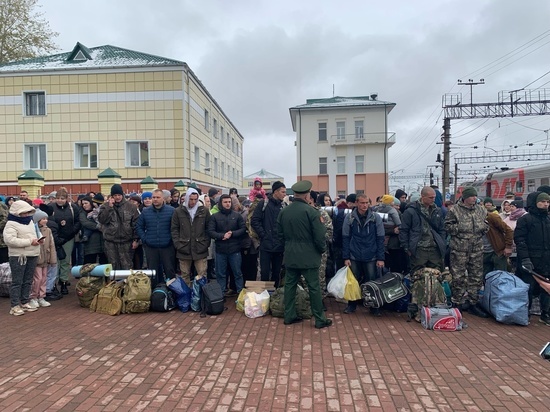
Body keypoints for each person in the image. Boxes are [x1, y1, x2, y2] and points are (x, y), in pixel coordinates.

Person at [277, 181, 332, 329]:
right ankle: (319, 319)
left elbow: (279, 234)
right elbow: (320, 236)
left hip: (290, 254)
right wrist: (321, 250)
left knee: (290, 286)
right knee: (314, 287)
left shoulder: (284, 211)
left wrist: (288, 247)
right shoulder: (312, 212)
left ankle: (289, 315)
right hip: (309, 256)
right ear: (307, 195)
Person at [444, 186, 489, 317]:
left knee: (476, 276)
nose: (474, 198)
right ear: (465, 197)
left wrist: (484, 228)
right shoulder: (455, 210)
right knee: (458, 276)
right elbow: (447, 226)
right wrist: (460, 229)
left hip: (477, 247)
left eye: (475, 196)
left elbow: (486, 224)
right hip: (460, 248)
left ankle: (472, 302)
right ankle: (456, 302)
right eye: (472, 196)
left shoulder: (481, 210)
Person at [342, 193, 385, 316]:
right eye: (362, 203)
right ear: (356, 203)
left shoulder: (375, 218)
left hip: (371, 255)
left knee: (372, 281)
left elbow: (380, 238)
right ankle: (352, 305)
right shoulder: (349, 218)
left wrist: (380, 258)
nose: (365, 205)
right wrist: (346, 257)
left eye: (367, 203)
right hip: (354, 254)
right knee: (353, 281)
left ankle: (374, 306)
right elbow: (345, 237)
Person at [514, 191, 550, 326]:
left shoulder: (548, 219)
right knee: (528, 288)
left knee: (546, 289)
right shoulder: (525, 219)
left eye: (548, 202)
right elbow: (520, 240)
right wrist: (525, 259)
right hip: (530, 260)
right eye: (543, 201)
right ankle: (526, 313)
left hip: (546, 260)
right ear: (535, 202)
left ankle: (545, 314)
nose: (546, 204)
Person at [4, 200, 43, 315]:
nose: (26, 214)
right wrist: (30, 241)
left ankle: (25, 301)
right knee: (17, 281)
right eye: (23, 212)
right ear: (17, 212)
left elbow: (36, 233)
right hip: (18, 256)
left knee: (28, 280)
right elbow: (10, 240)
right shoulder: (10, 224)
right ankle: (15, 305)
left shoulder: (30, 221)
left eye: (27, 212)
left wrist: (40, 239)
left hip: (32, 254)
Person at [399, 186, 446, 273]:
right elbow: (404, 230)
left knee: (437, 275)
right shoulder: (411, 211)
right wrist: (407, 248)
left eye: (434, 197)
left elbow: (442, 229)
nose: (433, 200)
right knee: (418, 276)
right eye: (431, 197)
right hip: (418, 250)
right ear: (423, 196)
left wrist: (442, 242)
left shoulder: (437, 211)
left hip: (435, 249)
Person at [171, 188, 211, 286]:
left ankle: (201, 297)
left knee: (202, 274)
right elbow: (174, 229)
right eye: (191, 199)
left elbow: (208, 228)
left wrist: (205, 243)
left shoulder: (204, 210)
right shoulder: (178, 211)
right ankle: (186, 298)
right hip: (183, 247)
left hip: (200, 247)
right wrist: (178, 244)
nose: (193, 202)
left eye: (195, 199)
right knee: (185, 275)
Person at [137, 189, 176, 286]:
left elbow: (176, 227)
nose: (155, 199)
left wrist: (171, 239)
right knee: (152, 272)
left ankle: (172, 293)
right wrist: (144, 238)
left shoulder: (171, 211)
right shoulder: (146, 212)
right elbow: (139, 226)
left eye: (157, 197)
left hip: (167, 246)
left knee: (169, 270)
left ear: (163, 198)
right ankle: (155, 293)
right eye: (153, 197)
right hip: (151, 247)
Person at [208, 194, 246, 294]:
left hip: (235, 249)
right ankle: (221, 293)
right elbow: (211, 231)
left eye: (229, 202)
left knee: (237, 273)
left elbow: (243, 229)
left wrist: (232, 233)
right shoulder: (215, 217)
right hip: (220, 249)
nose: (228, 204)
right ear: (221, 203)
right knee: (221, 274)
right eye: (225, 202)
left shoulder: (237, 215)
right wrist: (222, 236)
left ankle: (240, 293)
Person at [251, 181, 286, 287]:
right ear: (275, 192)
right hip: (266, 245)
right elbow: (254, 221)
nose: (285, 194)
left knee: (276, 273)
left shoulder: (284, 206)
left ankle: (275, 297)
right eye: (283, 192)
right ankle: (265, 296)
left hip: (279, 246)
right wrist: (263, 234)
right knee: (265, 273)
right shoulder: (263, 204)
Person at [97, 184, 140, 270]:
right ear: (112, 196)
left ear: (122, 195)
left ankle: (126, 283)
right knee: (113, 266)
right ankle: (114, 283)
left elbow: (136, 224)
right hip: (111, 242)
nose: (117, 197)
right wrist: (109, 208)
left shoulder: (131, 207)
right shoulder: (105, 206)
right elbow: (102, 220)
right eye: (115, 195)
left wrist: (136, 240)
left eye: (119, 195)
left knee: (127, 265)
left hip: (126, 241)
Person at [50, 187, 81, 294]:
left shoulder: (73, 208)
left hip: (68, 238)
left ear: (66, 199)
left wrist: (71, 232)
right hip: (54, 238)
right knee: (55, 261)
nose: (60, 200)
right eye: (58, 198)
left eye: (62, 198)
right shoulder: (51, 207)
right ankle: (54, 282)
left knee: (65, 261)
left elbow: (77, 222)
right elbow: (48, 222)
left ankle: (63, 281)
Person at [29, 209, 56, 308]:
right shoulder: (33, 231)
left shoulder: (48, 230)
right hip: (37, 259)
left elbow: (51, 245)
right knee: (37, 278)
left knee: (44, 278)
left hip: (46, 258)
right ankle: (34, 296)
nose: (45, 220)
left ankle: (41, 296)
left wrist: (52, 259)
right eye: (43, 219)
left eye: (46, 218)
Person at [79, 196, 107, 264]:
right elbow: (86, 223)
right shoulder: (82, 213)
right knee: (89, 263)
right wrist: (98, 226)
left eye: (86, 203)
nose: (84, 205)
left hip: (102, 243)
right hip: (90, 244)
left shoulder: (99, 211)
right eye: (83, 204)